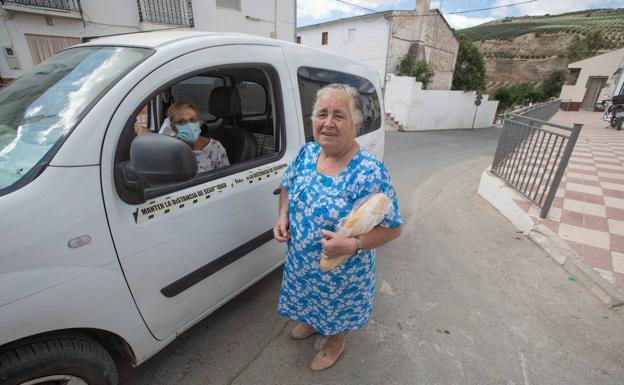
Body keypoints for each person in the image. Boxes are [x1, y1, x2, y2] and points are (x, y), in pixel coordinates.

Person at [273, 83, 403, 371]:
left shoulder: (369, 172)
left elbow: (394, 228)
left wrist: (353, 244)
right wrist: (283, 216)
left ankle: (335, 341)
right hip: (302, 262)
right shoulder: (307, 154)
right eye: (322, 114)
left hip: (343, 271)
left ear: (355, 123)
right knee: (308, 298)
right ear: (312, 120)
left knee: (336, 310)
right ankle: (311, 321)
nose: (328, 123)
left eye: (339, 115)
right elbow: (286, 187)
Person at [166, 101, 230, 172]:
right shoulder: (169, 150)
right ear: (173, 127)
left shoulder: (216, 148)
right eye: (181, 122)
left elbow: (226, 179)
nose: (188, 125)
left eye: (192, 120)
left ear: (199, 122)